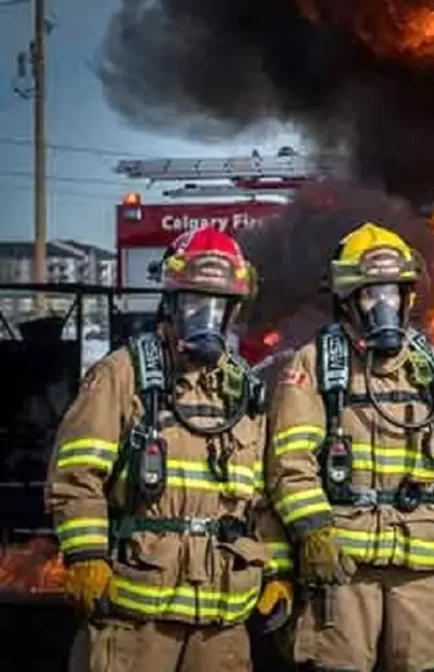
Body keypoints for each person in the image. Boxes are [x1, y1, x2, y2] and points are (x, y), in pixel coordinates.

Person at [49, 226, 291, 672]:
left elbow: (262, 500)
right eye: (195, 301)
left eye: (219, 304)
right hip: (137, 619)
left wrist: (276, 570)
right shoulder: (122, 375)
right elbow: (76, 476)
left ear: (233, 310)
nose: (207, 316)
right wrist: (86, 555)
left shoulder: (245, 391)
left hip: (220, 621)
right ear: (172, 302)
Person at [266, 222, 434, 672]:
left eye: (392, 293)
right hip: (346, 563)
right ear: (347, 299)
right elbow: (290, 462)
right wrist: (314, 531)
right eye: (370, 294)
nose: (384, 305)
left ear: (407, 297)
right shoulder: (314, 364)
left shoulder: (429, 366)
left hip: (424, 558)